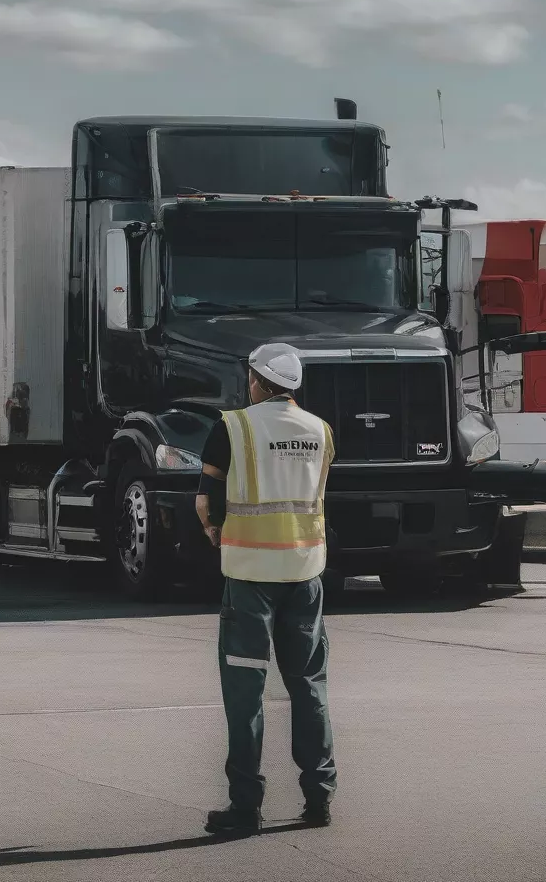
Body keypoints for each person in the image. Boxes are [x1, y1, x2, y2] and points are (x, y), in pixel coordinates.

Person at [196, 342, 337, 835]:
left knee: (245, 693)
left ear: (256, 380)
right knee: (308, 686)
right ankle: (319, 799)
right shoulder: (321, 431)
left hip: (250, 578)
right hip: (304, 574)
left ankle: (245, 808)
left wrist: (215, 531)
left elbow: (205, 500)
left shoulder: (232, 427)